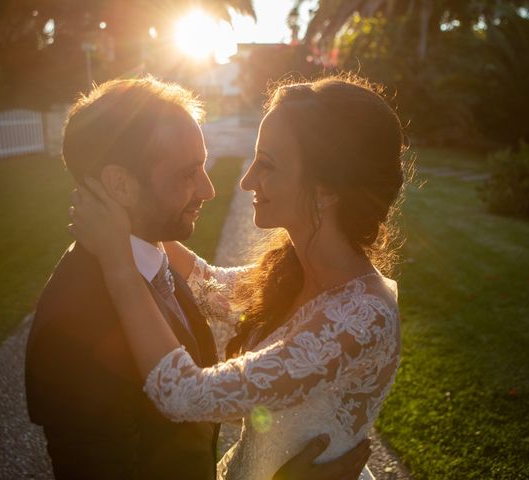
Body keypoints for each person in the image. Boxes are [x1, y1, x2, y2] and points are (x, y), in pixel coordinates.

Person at [25, 76, 371, 480]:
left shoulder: (153, 256)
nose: (210, 189)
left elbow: (210, 289)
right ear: (120, 184)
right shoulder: (74, 324)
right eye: (189, 173)